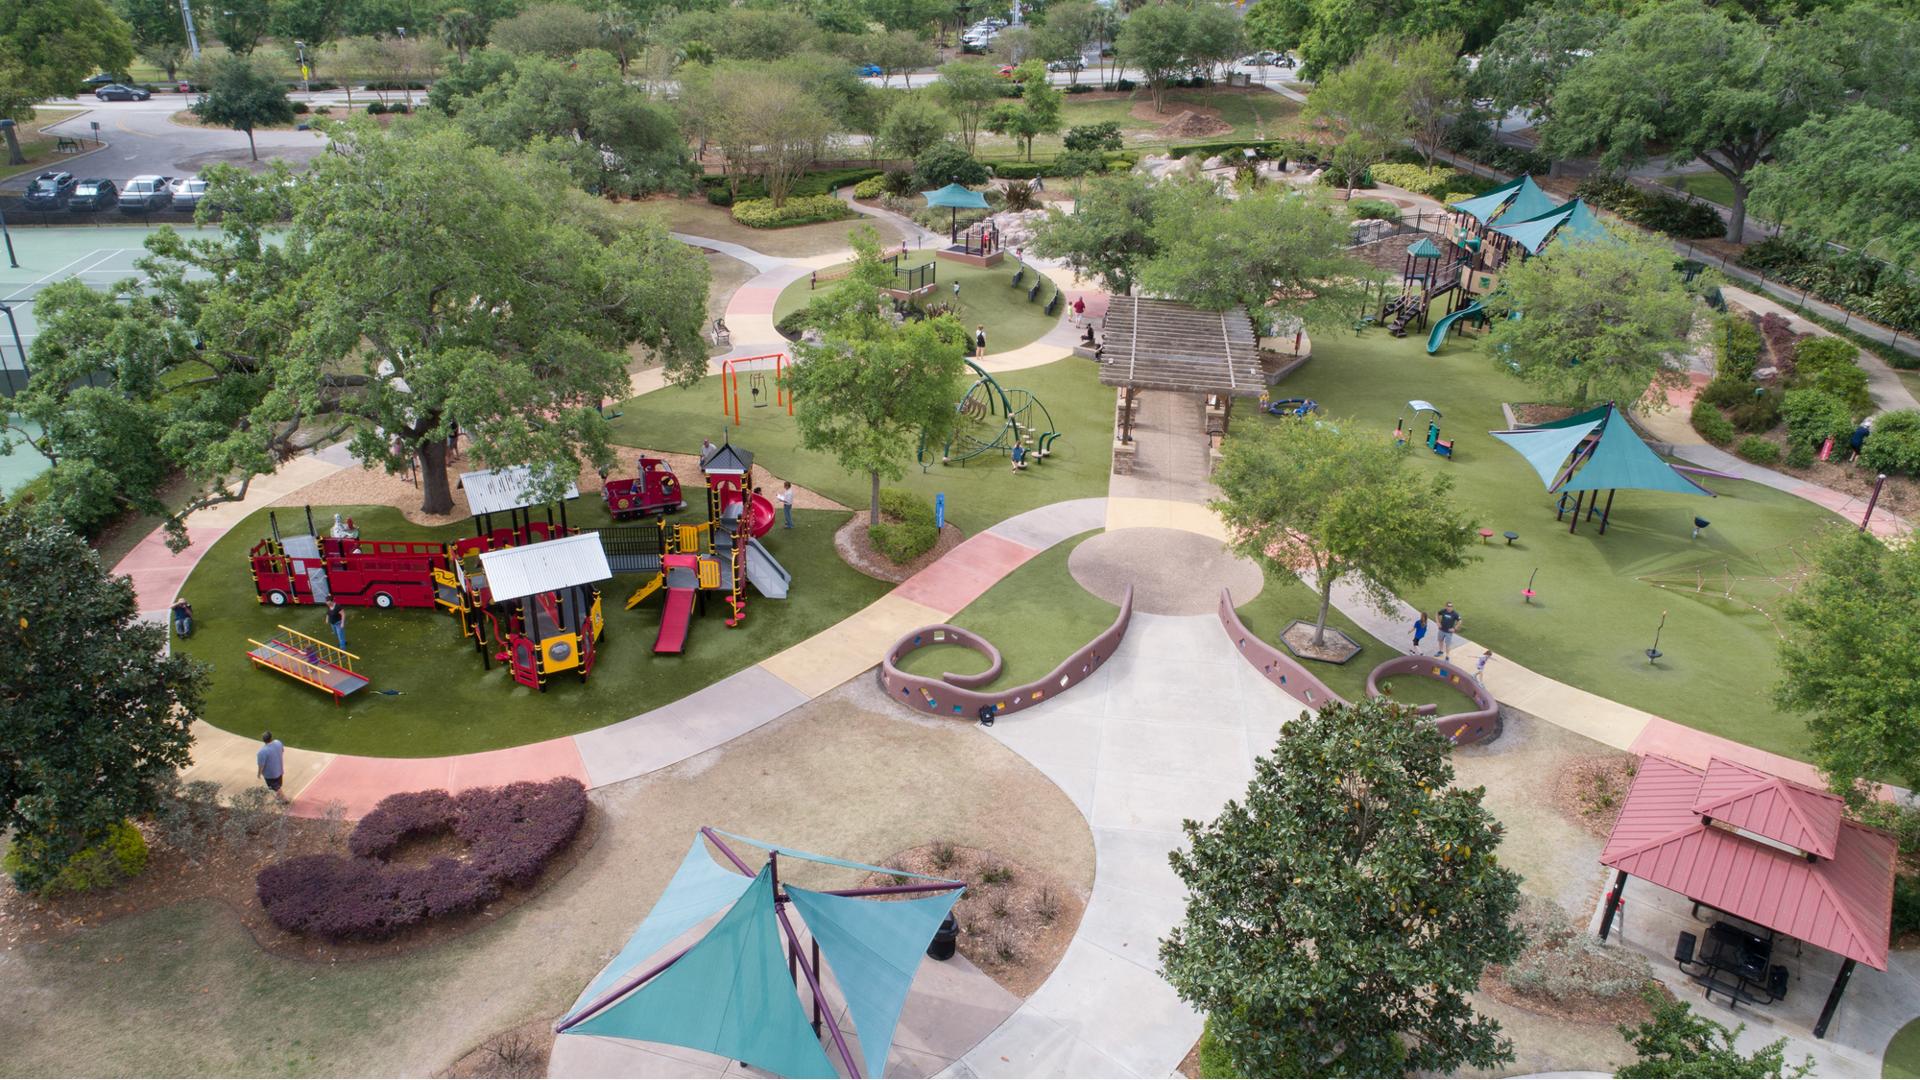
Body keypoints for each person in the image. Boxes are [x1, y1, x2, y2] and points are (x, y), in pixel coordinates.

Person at [257, 732, 286, 802]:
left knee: (275, 787)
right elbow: (282, 750)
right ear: (271, 737)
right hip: (279, 769)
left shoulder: (262, 752)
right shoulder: (278, 742)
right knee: (278, 785)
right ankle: (278, 798)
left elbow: (261, 765)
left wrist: (259, 774)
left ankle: (285, 799)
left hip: (270, 774)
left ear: (263, 740)